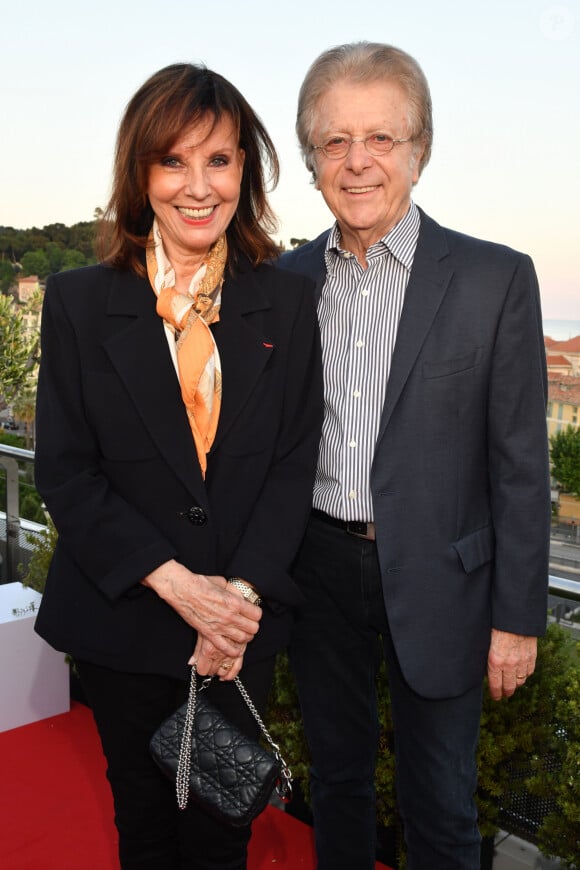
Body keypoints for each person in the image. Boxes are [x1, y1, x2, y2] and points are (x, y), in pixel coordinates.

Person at [34, 63, 322, 870]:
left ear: (247, 173)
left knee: (222, 832)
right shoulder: (79, 302)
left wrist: (234, 600)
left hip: (239, 627)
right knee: (145, 825)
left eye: (220, 160)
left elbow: (294, 461)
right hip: (123, 620)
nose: (198, 186)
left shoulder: (288, 304)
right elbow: (65, 468)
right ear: (140, 173)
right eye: (173, 160)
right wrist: (178, 586)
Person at [278, 42, 551, 870]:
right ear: (311, 159)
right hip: (318, 572)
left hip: (445, 579)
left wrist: (516, 618)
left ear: (420, 150)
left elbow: (519, 465)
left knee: (440, 806)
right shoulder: (286, 282)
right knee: (336, 784)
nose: (357, 163)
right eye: (334, 142)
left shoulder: (493, 279)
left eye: (382, 139)